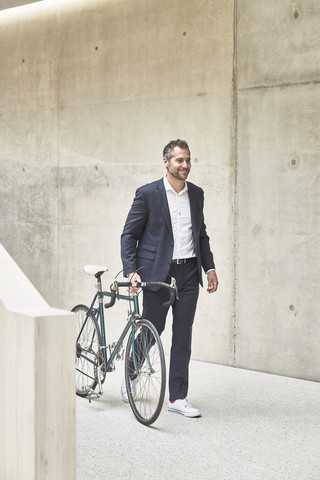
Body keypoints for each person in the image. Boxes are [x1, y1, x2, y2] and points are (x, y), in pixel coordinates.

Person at [120, 139, 218, 417]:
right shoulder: (148, 194)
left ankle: (177, 397)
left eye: (188, 160)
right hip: (157, 273)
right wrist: (132, 270)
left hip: (188, 271)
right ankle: (131, 375)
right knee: (152, 329)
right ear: (166, 162)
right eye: (179, 160)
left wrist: (209, 268)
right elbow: (129, 235)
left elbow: (201, 235)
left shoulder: (196, 194)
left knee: (183, 335)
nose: (185, 165)